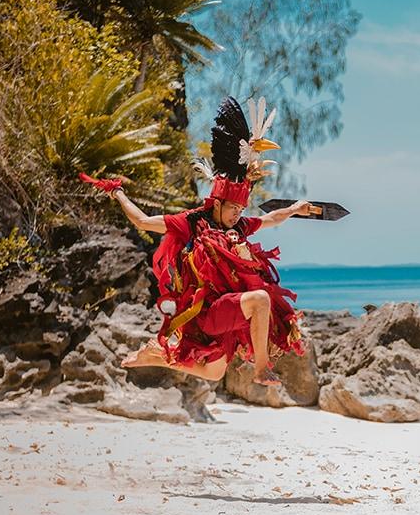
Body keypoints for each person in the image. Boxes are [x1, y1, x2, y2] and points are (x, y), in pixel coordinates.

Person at [80, 96, 308, 386]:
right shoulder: (191, 222)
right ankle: (261, 368)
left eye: (241, 210)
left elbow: (271, 219)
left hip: (227, 309)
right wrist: (118, 193)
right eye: (233, 208)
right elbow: (142, 221)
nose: (237, 214)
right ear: (216, 202)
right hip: (206, 312)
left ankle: (158, 356)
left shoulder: (237, 225)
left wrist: (294, 209)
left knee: (214, 373)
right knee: (261, 300)